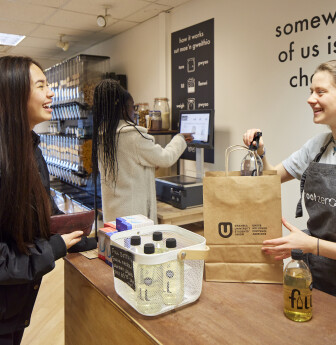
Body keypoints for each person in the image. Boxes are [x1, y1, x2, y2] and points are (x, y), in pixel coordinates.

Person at [243, 59, 336, 306]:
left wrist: (312, 245)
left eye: (320, 92)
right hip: (315, 280)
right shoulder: (317, 146)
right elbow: (269, 180)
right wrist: (260, 153)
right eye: (310, 92)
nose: (310, 99)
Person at [0, 56, 84, 344]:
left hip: (14, 307)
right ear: (13, 94)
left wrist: (74, 233)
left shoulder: (30, 148)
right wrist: (50, 250)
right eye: (41, 86)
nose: (51, 93)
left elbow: (41, 212)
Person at [92, 79, 193, 223]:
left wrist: (149, 165)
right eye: (132, 107)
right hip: (134, 220)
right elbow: (166, 158)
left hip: (113, 217)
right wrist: (180, 138)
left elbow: (126, 167)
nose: (135, 112)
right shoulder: (133, 136)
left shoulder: (103, 136)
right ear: (123, 109)